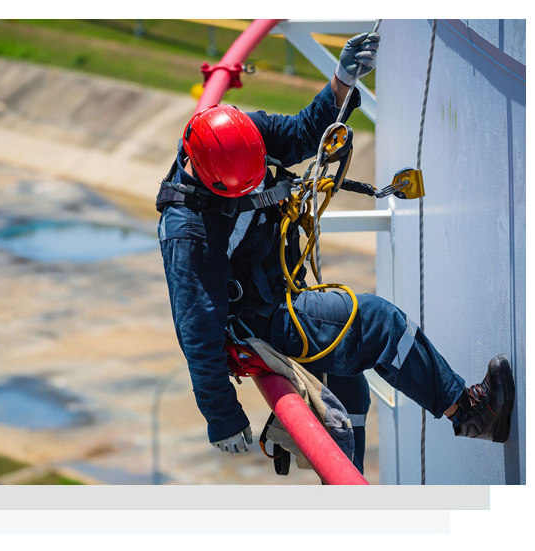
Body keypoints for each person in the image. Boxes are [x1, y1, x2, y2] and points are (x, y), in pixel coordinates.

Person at [155, 33, 515, 473]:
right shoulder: (190, 232)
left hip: (273, 289)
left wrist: (342, 80)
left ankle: (347, 498)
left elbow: (304, 133)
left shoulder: (238, 136)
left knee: (350, 387)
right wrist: (222, 416)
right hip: (255, 316)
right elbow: (196, 329)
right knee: (379, 323)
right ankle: (471, 412)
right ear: (212, 183)